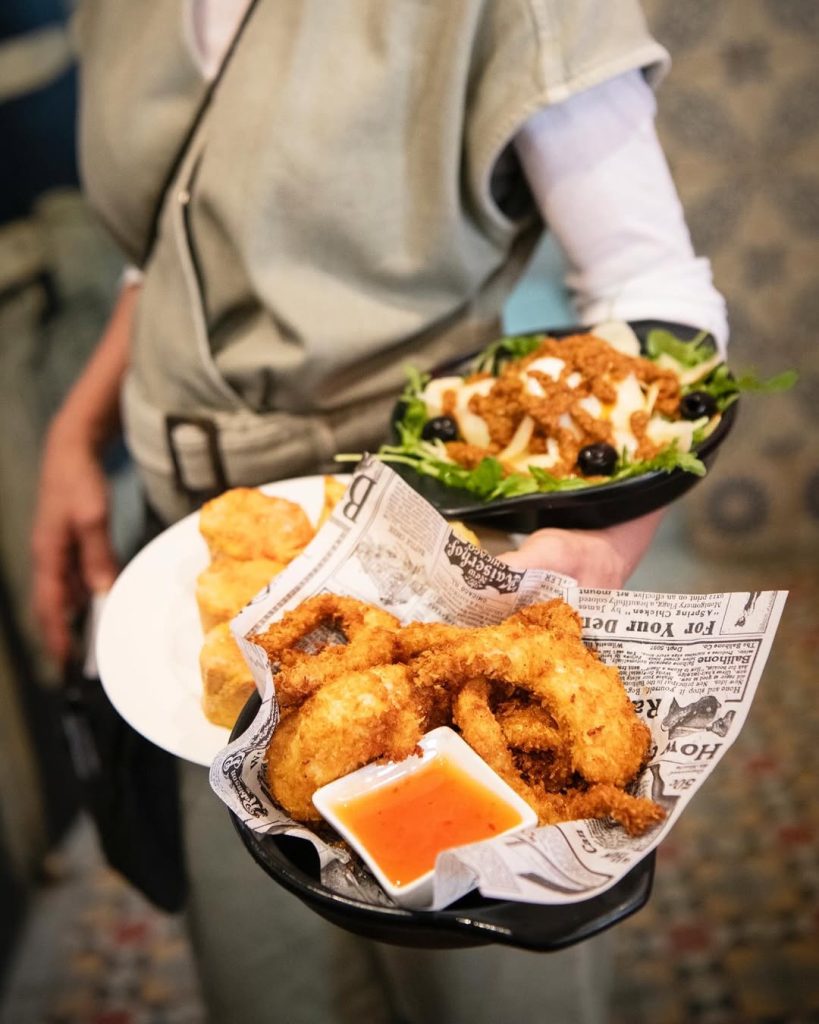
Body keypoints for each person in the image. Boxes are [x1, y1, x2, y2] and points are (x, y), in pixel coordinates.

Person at [31, 2, 728, 1022]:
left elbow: (651, 283)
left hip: (431, 558)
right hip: (191, 578)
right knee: (268, 985)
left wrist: (606, 542)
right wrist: (76, 429)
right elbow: (172, 236)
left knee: (491, 997)